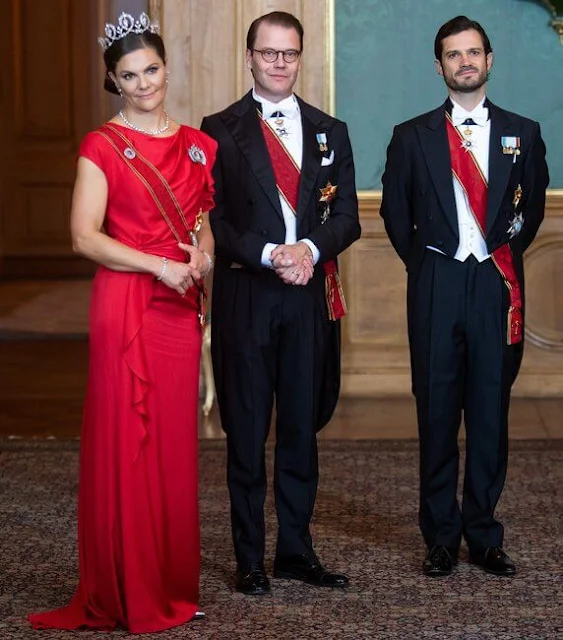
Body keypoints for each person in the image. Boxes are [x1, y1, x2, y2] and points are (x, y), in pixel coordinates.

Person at [28, 12, 217, 633]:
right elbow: (84, 237)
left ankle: (166, 580)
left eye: (152, 70)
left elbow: (202, 228)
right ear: (114, 81)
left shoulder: (199, 146)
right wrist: (158, 267)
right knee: (125, 446)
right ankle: (124, 587)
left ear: (167, 67)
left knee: (171, 446)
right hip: (127, 305)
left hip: (178, 308)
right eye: (129, 75)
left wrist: (201, 257)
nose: (144, 84)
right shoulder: (100, 146)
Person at [381, 16, 549, 577]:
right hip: (436, 282)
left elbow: (532, 214)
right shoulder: (412, 136)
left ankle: (483, 534)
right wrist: (433, 266)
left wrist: (490, 257)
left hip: (496, 282)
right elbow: (395, 215)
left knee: (488, 413)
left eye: (473, 52)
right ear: (439, 66)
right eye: (453, 55)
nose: (465, 62)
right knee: (435, 413)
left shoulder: (523, 132)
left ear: (490, 59)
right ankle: (439, 536)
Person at [201, 11, 360, 595]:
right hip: (247, 293)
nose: (278, 63)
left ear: (300, 58)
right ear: (250, 57)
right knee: (246, 431)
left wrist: (310, 250)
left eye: (288, 54)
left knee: (300, 427)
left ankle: (295, 549)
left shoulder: (330, 130)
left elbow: (346, 216)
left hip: (305, 300)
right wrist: (273, 253)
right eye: (268, 53)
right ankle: (249, 557)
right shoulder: (219, 128)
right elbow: (215, 218)